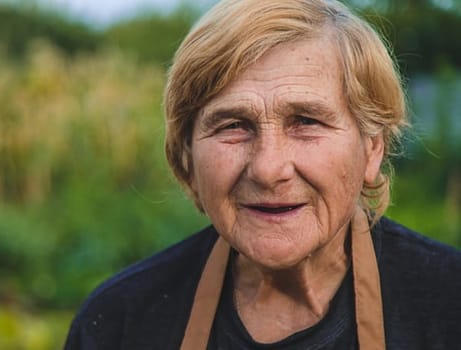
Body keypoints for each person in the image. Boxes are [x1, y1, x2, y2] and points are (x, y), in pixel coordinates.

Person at [64, 0, 461, 348]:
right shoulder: (120, 323)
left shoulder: (449, 305)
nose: (269, 169)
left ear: (372, 148)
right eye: (233, 125)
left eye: (305, 121)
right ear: (187, 154)